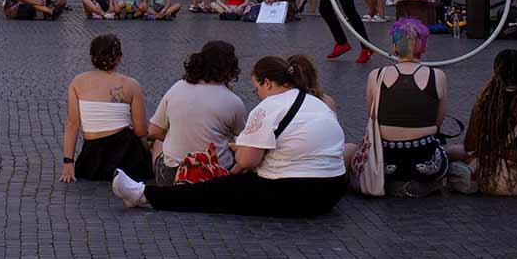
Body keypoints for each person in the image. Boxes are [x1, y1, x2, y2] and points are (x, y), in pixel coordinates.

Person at [112, 55, 347, 217]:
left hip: (296, 192)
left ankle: (144, 195)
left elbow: (247, 161)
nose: (258, 95)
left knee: (216, 191)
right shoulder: (317, 103)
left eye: (257, 88)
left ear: (267, 82)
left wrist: (234, 162)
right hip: (333, 189)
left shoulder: (269, 107)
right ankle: (145, 194)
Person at [350, 19, 448, 197]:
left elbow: (373, 115)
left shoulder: (376, 75)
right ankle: (421, 182)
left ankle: (391, 182)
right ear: (423, 47)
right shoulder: (437, 76)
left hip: (386, 158)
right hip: (424, 157)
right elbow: (438, 120)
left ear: (395, 47)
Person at [450, 49, 517, 196]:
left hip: (496, 181)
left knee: (461, 153)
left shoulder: (485, 102)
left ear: (496, 73)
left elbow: (471, 146)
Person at [148, 41, 247, 184]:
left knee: (158, 142)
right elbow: (242, 135)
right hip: (212, 174)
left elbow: (154, 130)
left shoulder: (178, 87)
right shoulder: (233, 101)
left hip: (174, 173)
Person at [59, 34, 151, 183]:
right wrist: (148, 154)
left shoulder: (78, 82)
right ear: (118, 57)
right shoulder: (131, 84)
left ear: (92, 57)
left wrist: (68, 163)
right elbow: (141, 131)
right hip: (127, 154)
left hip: (92, 158)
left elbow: (72, 123)